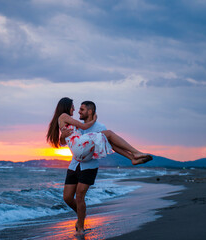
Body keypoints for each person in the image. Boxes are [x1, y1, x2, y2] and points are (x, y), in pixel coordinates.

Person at [46, 97, 153, 235]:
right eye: (76, 108)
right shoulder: (76, 123)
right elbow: (64, 142)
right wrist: (62, 137)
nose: (77, 110)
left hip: (89, 165)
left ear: (90, 111)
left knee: (79, 196)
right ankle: (81, 214)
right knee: (67, 198)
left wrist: (93, 123)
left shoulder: (99, 127)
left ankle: (81, 227)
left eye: (81, 109)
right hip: (75, 163)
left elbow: (111, 146)